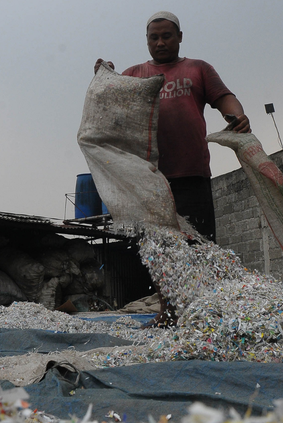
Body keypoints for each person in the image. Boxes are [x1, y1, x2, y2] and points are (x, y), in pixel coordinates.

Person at [94, 11, 251, 328]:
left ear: (180, 37)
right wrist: (105, 76)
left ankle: (204, 314)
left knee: (200, 248)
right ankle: (167, 311)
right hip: (151, 180)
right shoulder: (136, 73)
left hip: (192, 175)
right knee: (162, 250)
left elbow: (226, 99)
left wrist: (237, 116)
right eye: (154, 37)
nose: (161, 42)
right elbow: (111, 103)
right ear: (147, 41)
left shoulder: (198, 69)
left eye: (167, 36)